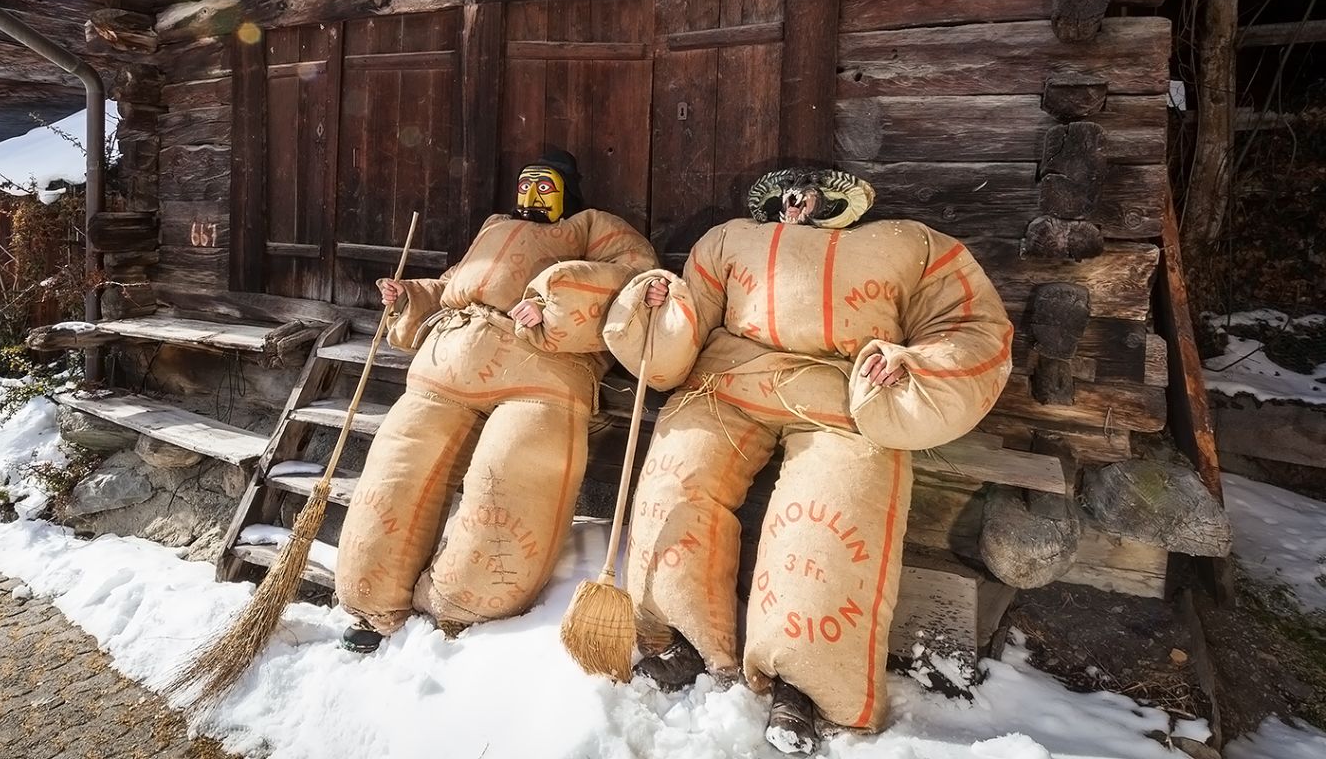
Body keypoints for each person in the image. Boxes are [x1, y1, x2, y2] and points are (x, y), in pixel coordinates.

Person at [602, 167, 1012, 753]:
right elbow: (689, 317)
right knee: (675, 481)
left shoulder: (908, 245)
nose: (795, 204)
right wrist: (660, 306)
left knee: (826, 518)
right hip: (726, 381)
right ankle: (680, 636)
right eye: (785, 196)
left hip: (840, 395)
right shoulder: (728, 239)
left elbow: (969, 324)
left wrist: (909, 364)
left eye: (808, 196)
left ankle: (805, 684)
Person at [334, 150, 657, 654]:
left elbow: (636, 275)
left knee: (510, 477)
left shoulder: (594, 227)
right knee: (397, 468)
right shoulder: (494, 228)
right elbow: (452, 285)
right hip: (449, 359)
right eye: (524, 187)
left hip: (539, 368)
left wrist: (556, 302)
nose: (529, 198)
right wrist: (410, 295)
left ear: (567, 192)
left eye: (543, 188)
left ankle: (464, 604)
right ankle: (371, 599)